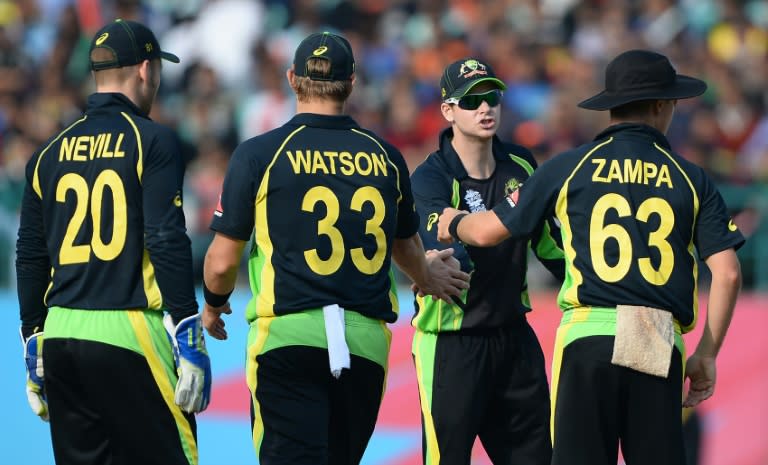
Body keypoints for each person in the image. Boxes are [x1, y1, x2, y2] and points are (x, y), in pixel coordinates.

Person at [437, 49, 744, 465]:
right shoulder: (692, 178)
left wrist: (453, 220)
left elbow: (489, 231)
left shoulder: (569, 165)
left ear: (611, 106)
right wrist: (706, 354)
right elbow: (726, 275)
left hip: (587, 336)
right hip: (658, 338)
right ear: (662, 105)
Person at [200, 31, 470, 465]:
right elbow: (405, 244)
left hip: (287, 337)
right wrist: (427, 276)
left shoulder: (259, 153)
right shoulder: (385, 155)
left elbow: (220, 262)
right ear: (353, 81)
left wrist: (213, 306)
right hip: (364, 345)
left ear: (292, 79)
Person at [16, 19, 211, 465]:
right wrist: (187, 328)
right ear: (145, 69)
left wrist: (33, 335)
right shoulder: (154, 140)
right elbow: (165, 236)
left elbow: (29, 254)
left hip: (61, 332)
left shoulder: (47, 152)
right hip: (129, 329)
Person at [409, 57, 564, 465]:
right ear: (448, 111)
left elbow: (550, 245)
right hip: (452, 346)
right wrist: (435, 262)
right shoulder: (430, 177)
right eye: (471, 100)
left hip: (514, 338)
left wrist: (596, 286)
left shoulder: (521, 164)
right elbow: (443, 256)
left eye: (491, 96)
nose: (485, 107)